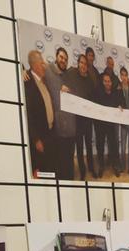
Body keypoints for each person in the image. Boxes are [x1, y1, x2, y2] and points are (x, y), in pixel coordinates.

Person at [24, 49, 75, 180]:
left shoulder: (44, 79)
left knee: (52, 166)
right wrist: (36, 139)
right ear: (35, 65)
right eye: (42, 63)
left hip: (51, 131)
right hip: (40, 136)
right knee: (43, 170)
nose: (44, 66)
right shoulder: (27, 83)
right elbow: (28, 115)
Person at [62, 53, 98, 179]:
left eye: (85, 64)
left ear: (87, 66)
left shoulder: (90, 80)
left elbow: (93, 99)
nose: (83, 65)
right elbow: (61, 74)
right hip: (76, 119)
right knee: (79, 146)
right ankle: (82, 171)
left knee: (89, 145)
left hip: (87, 119)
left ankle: (91, 168)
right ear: (78, 63)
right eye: (81, 63)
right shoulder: (71, 74)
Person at [95, 71, 122, 177]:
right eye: (105, 81)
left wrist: (119, 106)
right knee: (100, 146)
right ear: (103, 82)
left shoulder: (115, 93)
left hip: (111, 125)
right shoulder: (98, 93)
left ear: (111, 82)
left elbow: (119, 104)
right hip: (100, 125)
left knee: (113, 146)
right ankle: (101, 167)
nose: (107, 83)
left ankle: (115, 166)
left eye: (109, 81)